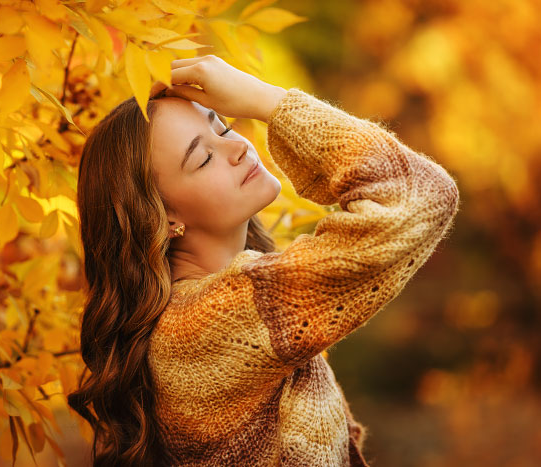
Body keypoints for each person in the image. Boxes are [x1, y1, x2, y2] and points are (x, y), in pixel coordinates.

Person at [67, 55, 460, 466]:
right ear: (164, 218)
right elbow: (419, 195)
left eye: (224, 127)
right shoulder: (200, 327)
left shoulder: (214, 311)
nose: (238, 146)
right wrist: (270, 101)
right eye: (202, 158)